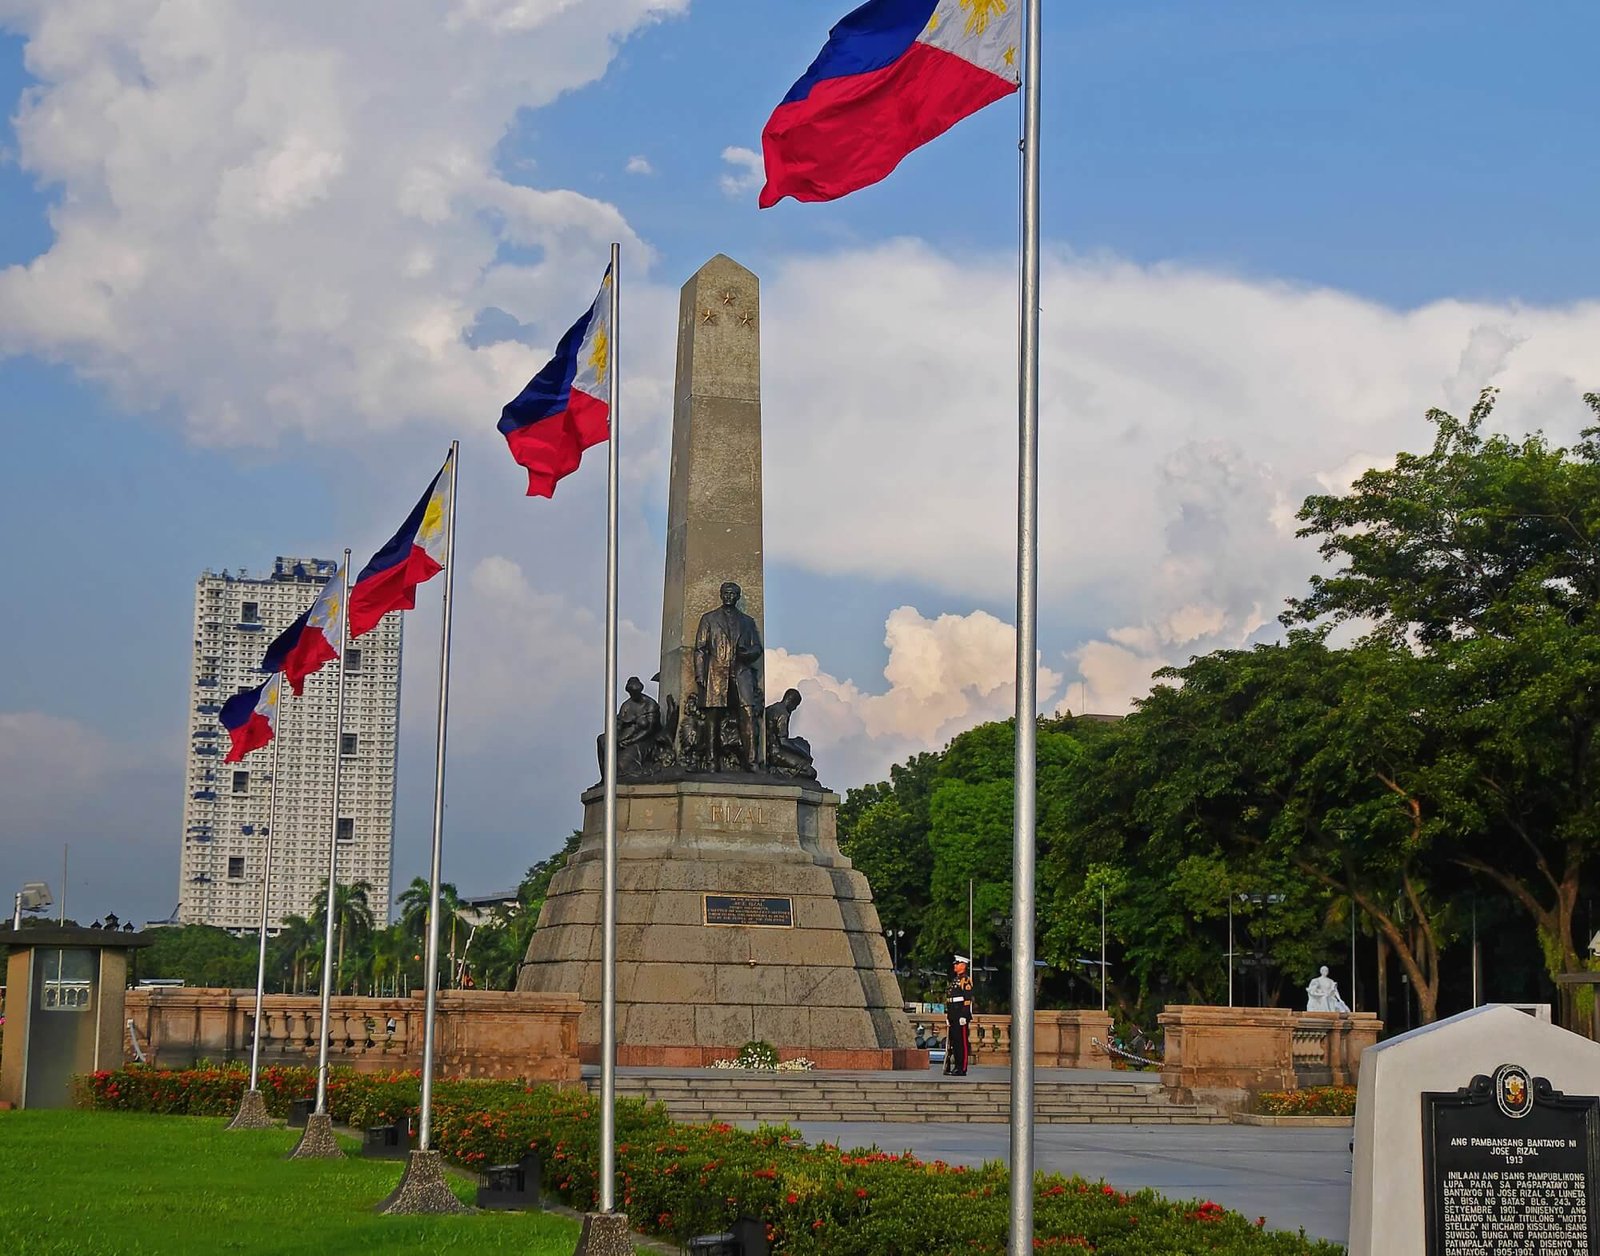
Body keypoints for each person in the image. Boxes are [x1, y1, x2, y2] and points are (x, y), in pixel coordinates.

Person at [693, 581, 764, 771]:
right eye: (726, 593)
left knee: (748, 714)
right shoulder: (709, 618)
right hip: (716, 673)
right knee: (712, 717)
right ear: (721, 594)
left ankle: (751, 761)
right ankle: (711, 761)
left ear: (738, 596)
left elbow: (757, 647)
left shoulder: (747, 621)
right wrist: (700, 674)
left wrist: (747, 654)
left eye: (733, 593)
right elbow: (700, 649)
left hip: (741, 672)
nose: (729, 596)